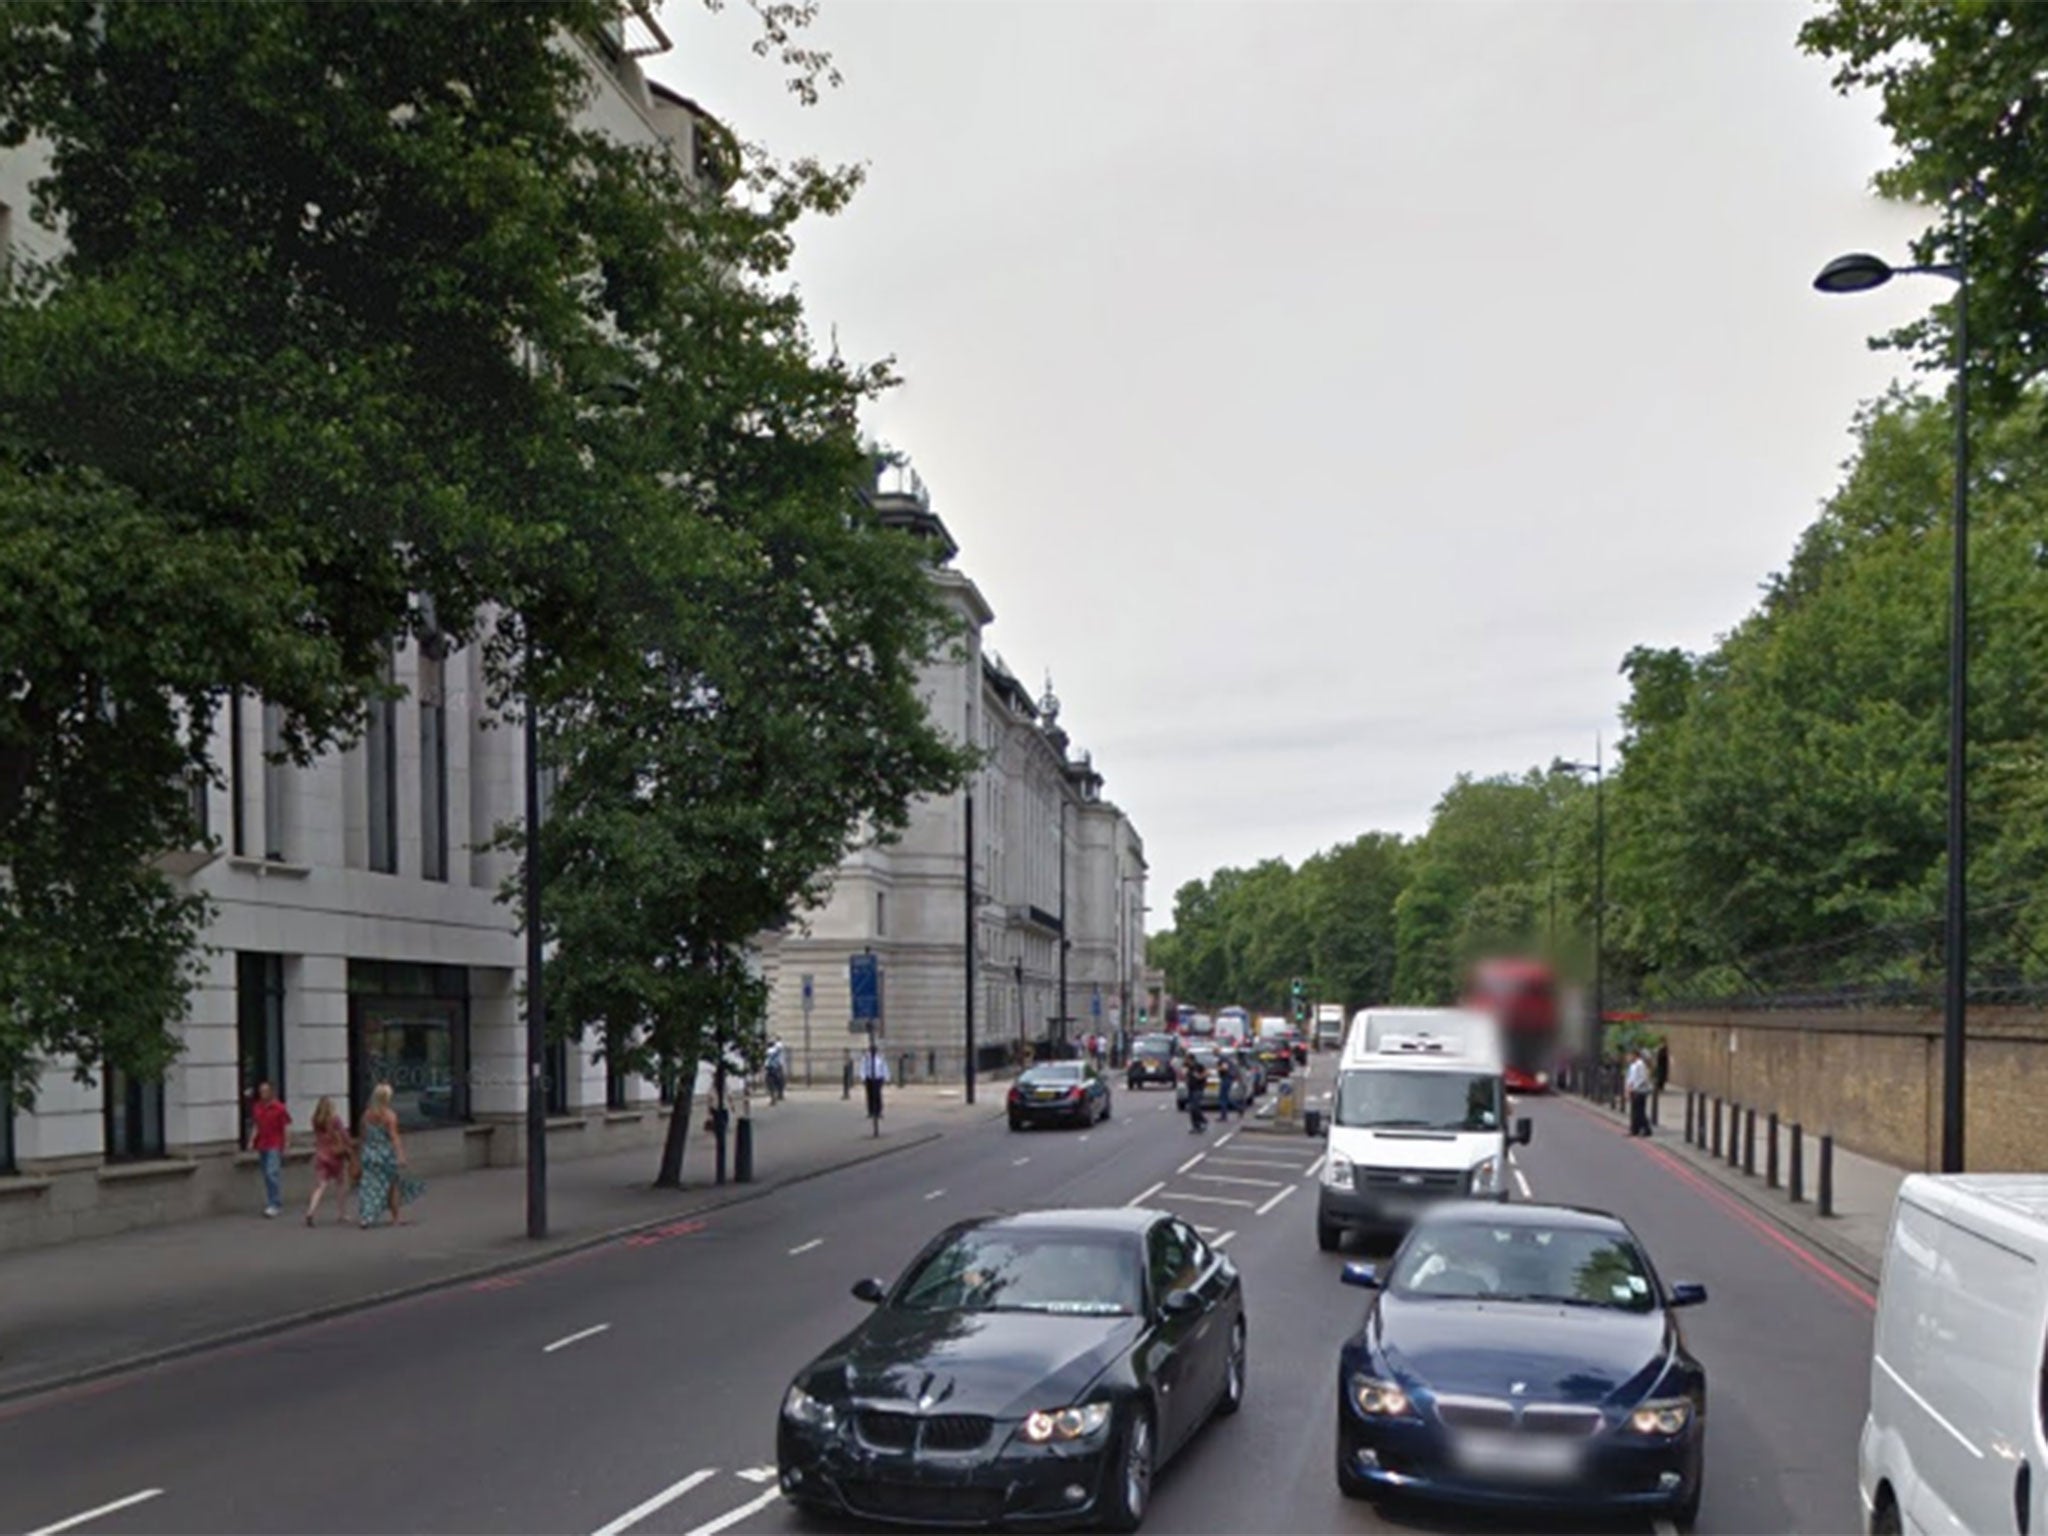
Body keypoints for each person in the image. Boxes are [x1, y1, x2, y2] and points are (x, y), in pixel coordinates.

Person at [356, 1083, 424, 1228]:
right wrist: (400, 1155)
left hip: (369, 1154)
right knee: (393, 1185)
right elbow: (394, 1137)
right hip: (385, 1155)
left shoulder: (366, 1115)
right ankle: (395, 1218)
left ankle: (366, 1217)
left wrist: (359, 1155)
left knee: (368, 1186)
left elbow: (362, 1137)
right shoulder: (389, 1116)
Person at [305, 1096, 354, 1226]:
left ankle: (311, 1211)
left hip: (321, 1155)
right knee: (340, 1184)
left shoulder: (315, 1120)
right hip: (335, 1155)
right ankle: (342, 1213)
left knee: (321, 1186)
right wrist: (350, 1146)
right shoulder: (335, 1120)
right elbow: (344, 1135)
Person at [248, 1081, 292, 1218]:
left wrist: (287, 1144)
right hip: (262, 1144)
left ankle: (275, 1204)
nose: (262, 1094)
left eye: (265, 1091)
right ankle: (271, 1200)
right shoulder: (257, 1107)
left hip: (275, 1144)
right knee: (266, 1175)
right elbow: (256, 1125)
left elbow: (286, 1126)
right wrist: (251, 1140)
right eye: (261, 1091)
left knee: (271, 1172)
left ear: (271, 1092)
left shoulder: (279, 1108)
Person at [856, 1040, 889, 1123]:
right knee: (870, 1095)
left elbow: (884, 1067)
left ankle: (878, 1112)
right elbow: (863, 1068)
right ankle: (871, 1112)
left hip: (878, 1078)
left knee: (878, 1095)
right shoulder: (866, 1058)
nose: (873, 1052)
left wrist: (886, 1077)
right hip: (869, 1078)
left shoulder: (880, 1058)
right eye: (872, 1050)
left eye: (874, 1050)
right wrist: (863, 1077)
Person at [1626, 1049, 1653, 1137]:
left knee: (1639, 1111)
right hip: (1634, 1090)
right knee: (1635, 1111)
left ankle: (1647, 1129)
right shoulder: (1633, 1065)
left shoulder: (1640, 1065)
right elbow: (1631, 1078)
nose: (1628, 1057)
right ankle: (1634, 1129)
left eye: (1629, 1055)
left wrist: (1634, 1087)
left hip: (1640, 1091)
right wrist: (1628, 1088)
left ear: (1635, 1055)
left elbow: (1643, 1078)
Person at [1184, 1053, 1209, 1134]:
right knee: (1191, 1109)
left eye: (1187, 1059)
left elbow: (1206, 1073)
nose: (1185, 1060)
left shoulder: (1198, 1066)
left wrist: (1200, 1077)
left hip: (1198, 1089)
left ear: (1191, 1059)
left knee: (1195, 1107)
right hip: (1191, 1089)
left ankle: (1203, 1120)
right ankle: (1196, 1126)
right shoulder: (1188, 1067)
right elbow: (1185, 1075)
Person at [765, 1038, 788, 1104]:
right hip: (777, 1068)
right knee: (780, 1081)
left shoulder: (768, 1051)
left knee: (770, 1083)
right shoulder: (778, 1050)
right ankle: (779, 1094)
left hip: (771, 1069)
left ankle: (773, 1097)